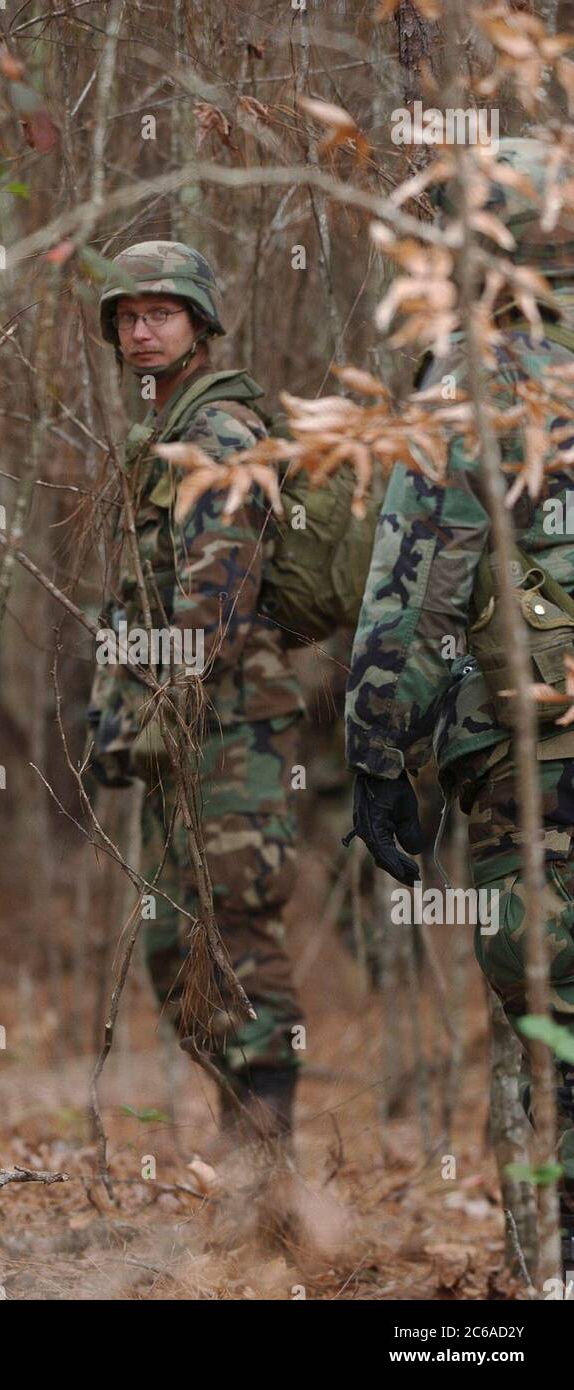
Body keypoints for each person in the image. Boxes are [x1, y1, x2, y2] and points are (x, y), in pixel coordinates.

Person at [343, 139, 574, 1271]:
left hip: (538, 752)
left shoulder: (479, 373)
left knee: (556, 1019)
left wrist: (378, 751)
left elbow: (415, 582)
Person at [88, 240, 305, 1139]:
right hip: (173, 731)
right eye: (128, 318)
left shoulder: (218, 432)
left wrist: (162, 707)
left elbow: (212, 598)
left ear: (199, 324)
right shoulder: (165, 429)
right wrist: (115, 711)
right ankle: (244, 1153)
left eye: (160, 315)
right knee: (176, 950)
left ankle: (270, 1177)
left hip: (230, 734)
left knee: (236, 944)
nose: (141, 332)